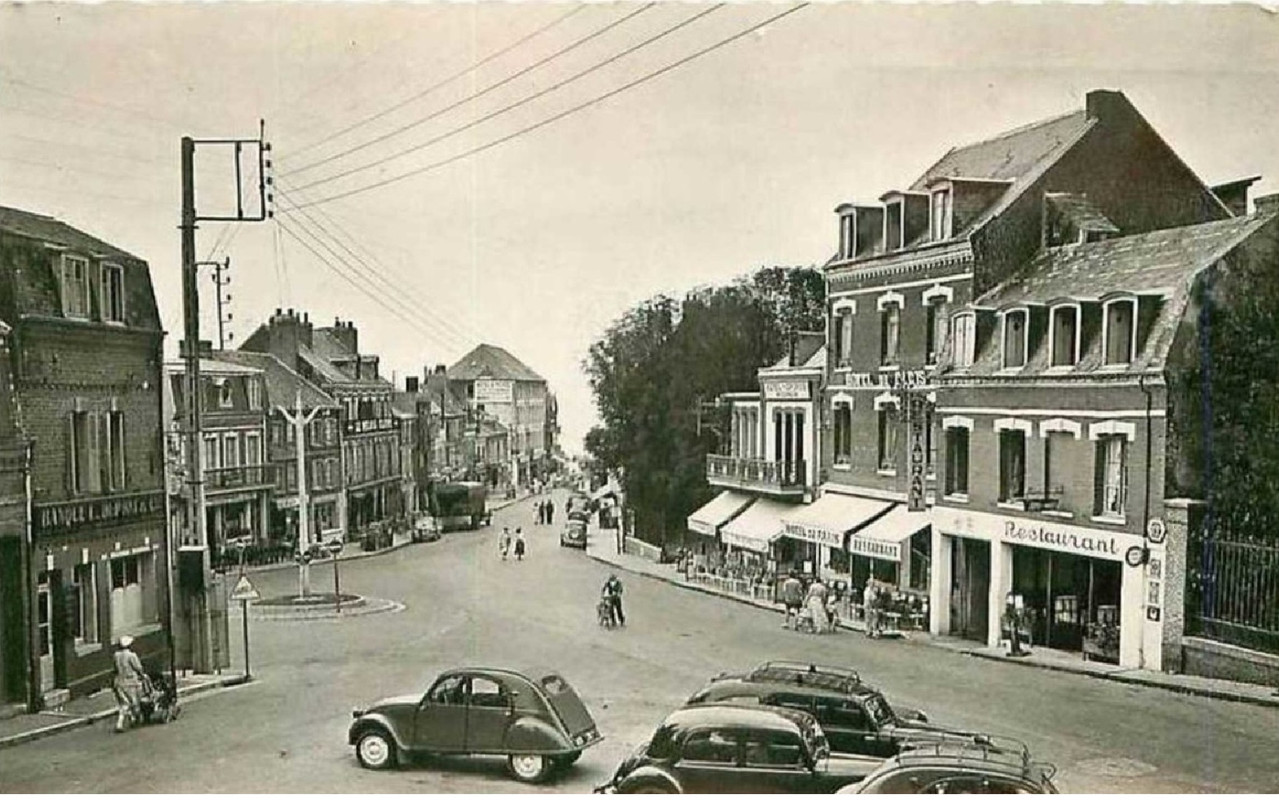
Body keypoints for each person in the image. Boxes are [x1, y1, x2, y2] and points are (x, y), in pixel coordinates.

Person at [112, 635, 147, 732]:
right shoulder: (132, 656)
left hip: (119, 681)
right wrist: (142, 675)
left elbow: (115, 668)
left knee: (123, 703)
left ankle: (129, 719)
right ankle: (122, 723)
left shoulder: (116, 655)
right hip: (130, 682)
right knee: (133, 702)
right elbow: (138, 668)